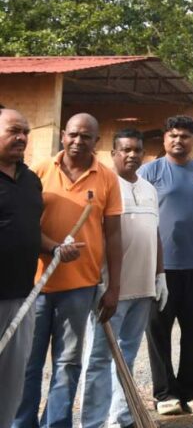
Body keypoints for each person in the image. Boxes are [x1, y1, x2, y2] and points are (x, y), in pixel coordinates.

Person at [17, 113, 124, 427]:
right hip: (35, 285)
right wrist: (53, 248)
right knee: (28, 363)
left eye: (86, 137)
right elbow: (25, 227)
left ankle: (56, 423)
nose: (78, 141)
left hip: (80, 287)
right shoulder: (38, 172)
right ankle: (22, 423)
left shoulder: (107, 178)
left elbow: (114, 235)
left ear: (97, 141)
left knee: (67, 363)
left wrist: (114, 288)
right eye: (73, 135)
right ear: (63, 135)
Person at [140, 115, 193, 415]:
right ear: (164, 138)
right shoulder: (149, 172)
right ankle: (165, 394)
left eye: (185, 136)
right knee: (158, 333)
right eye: (173, 135)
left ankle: (192, 393)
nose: (179, 141)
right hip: (159, 269)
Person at [81, 129, 167, 428]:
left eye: (137, 150)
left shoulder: (149, 188)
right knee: (98, 358)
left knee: (127, 355)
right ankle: (92, 421)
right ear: (113, 153)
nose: (132, 155)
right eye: (126, 150)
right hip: (110, 290)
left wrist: (160, 274)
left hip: (143, 288)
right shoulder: (103, 184)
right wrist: (100, 281)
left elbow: (155, 232)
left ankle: (120, 417)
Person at [0, 107, 45, 428]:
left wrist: (55, 247)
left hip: (22, 298)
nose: (21, 137)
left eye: (26, 132)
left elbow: (29, 230)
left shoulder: (31, 180)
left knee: (11, 385)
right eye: (14, 130)